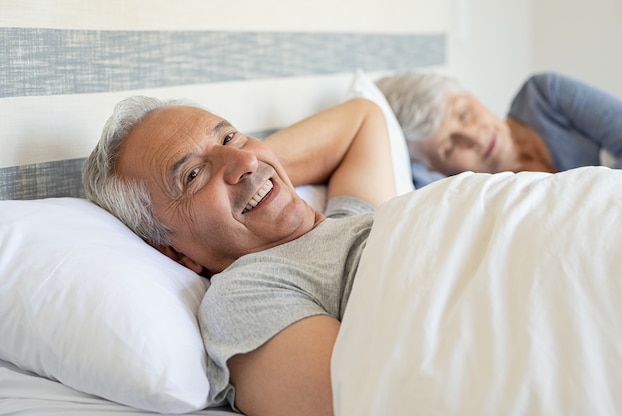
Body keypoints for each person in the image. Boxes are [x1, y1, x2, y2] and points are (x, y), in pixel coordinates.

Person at [82, 96, 398, 416]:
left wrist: (259, 163)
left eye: (229, 136)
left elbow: (363, 118)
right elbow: (364, 402)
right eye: (192, 175)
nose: (244, 161)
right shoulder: (247, 294)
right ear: (175, 253)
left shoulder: (352, 216)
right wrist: (245, 171)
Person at [375, 71, 622, 188]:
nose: (474, 138)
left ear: (470, 95)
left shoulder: (544, 96)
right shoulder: (484, 200)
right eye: (449, 148)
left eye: (464, 114)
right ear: (437, 170)